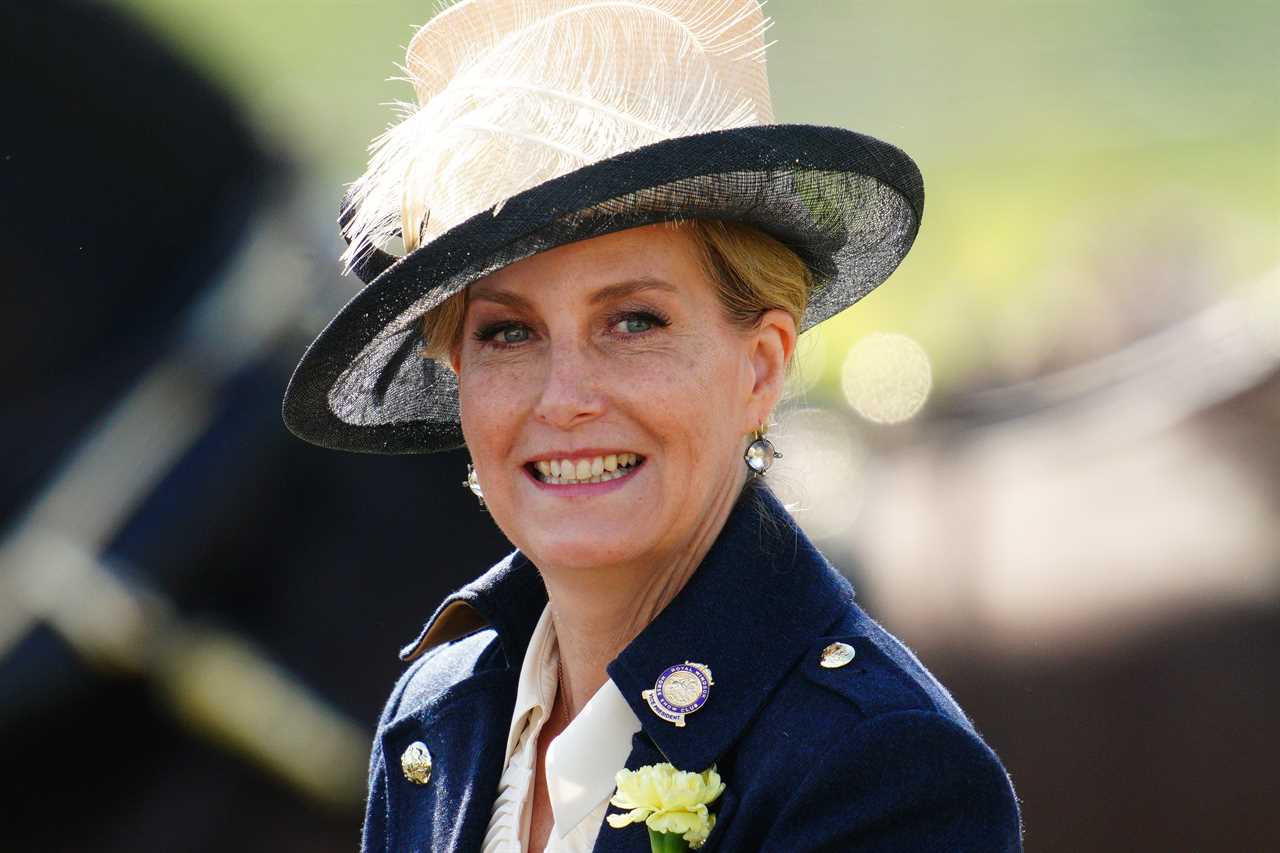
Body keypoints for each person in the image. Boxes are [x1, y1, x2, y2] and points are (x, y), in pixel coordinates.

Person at [283, 1, 1023, 850]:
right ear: (459, 378)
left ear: (761, 365)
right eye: (507, 332)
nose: (564, 397)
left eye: (633, 321)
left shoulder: (881, 766)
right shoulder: (434, 720)